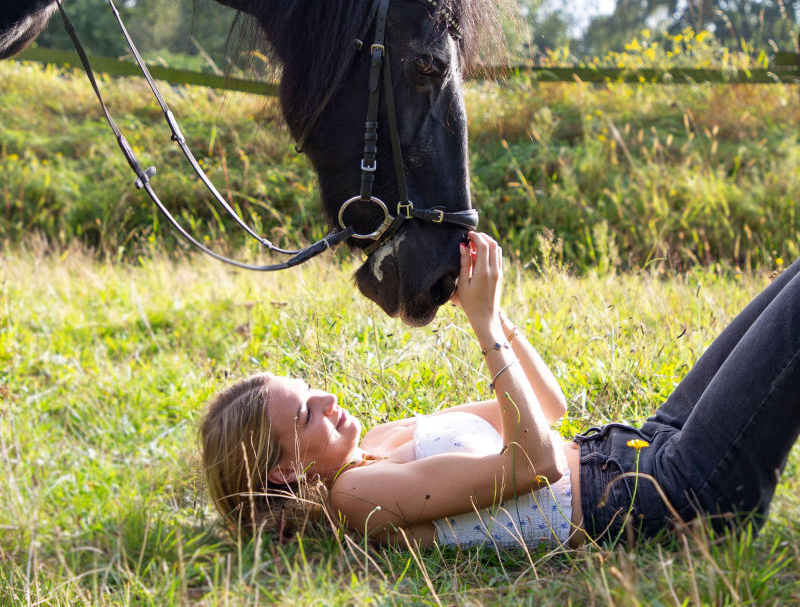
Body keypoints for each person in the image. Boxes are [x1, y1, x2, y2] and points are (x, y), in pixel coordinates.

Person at [200, 232, 800, 551]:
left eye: (310, 391)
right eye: (307, 415)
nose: (327, 401)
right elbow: (534, 464)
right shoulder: (355, 496)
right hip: (672, 498)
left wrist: (486, 309)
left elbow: (549, 409)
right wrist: (485, 330)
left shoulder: (377, 444)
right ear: (282, 473)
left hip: (640, 445)